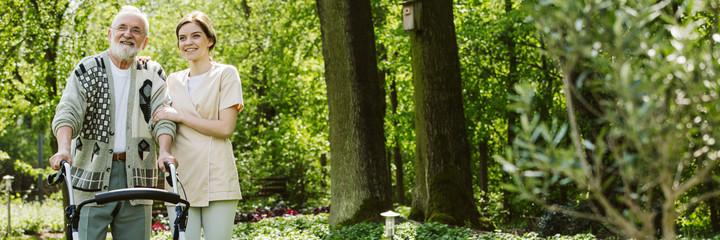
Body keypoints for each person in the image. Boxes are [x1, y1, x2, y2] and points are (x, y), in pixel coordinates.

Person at [48, 5, 177, 240]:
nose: (128, 34)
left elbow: (163, 117)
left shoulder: (152, 72)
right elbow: (68, 112)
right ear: (110, 34)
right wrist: (64, 149)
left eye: (136, 30)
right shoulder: (87, 69)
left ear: (144, 42)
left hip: (137, 176)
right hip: (90, 174)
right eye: (122, 28)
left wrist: (165, 151)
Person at [152, 11, 243, 240]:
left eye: (195, 36)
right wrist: (142, 63)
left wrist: (180, 115)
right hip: (181, 176)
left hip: (217, 175)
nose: (188, 42)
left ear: (209, 40)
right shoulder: (172, 79)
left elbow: (225, 129)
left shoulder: (225, 74)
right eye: (182, 38)